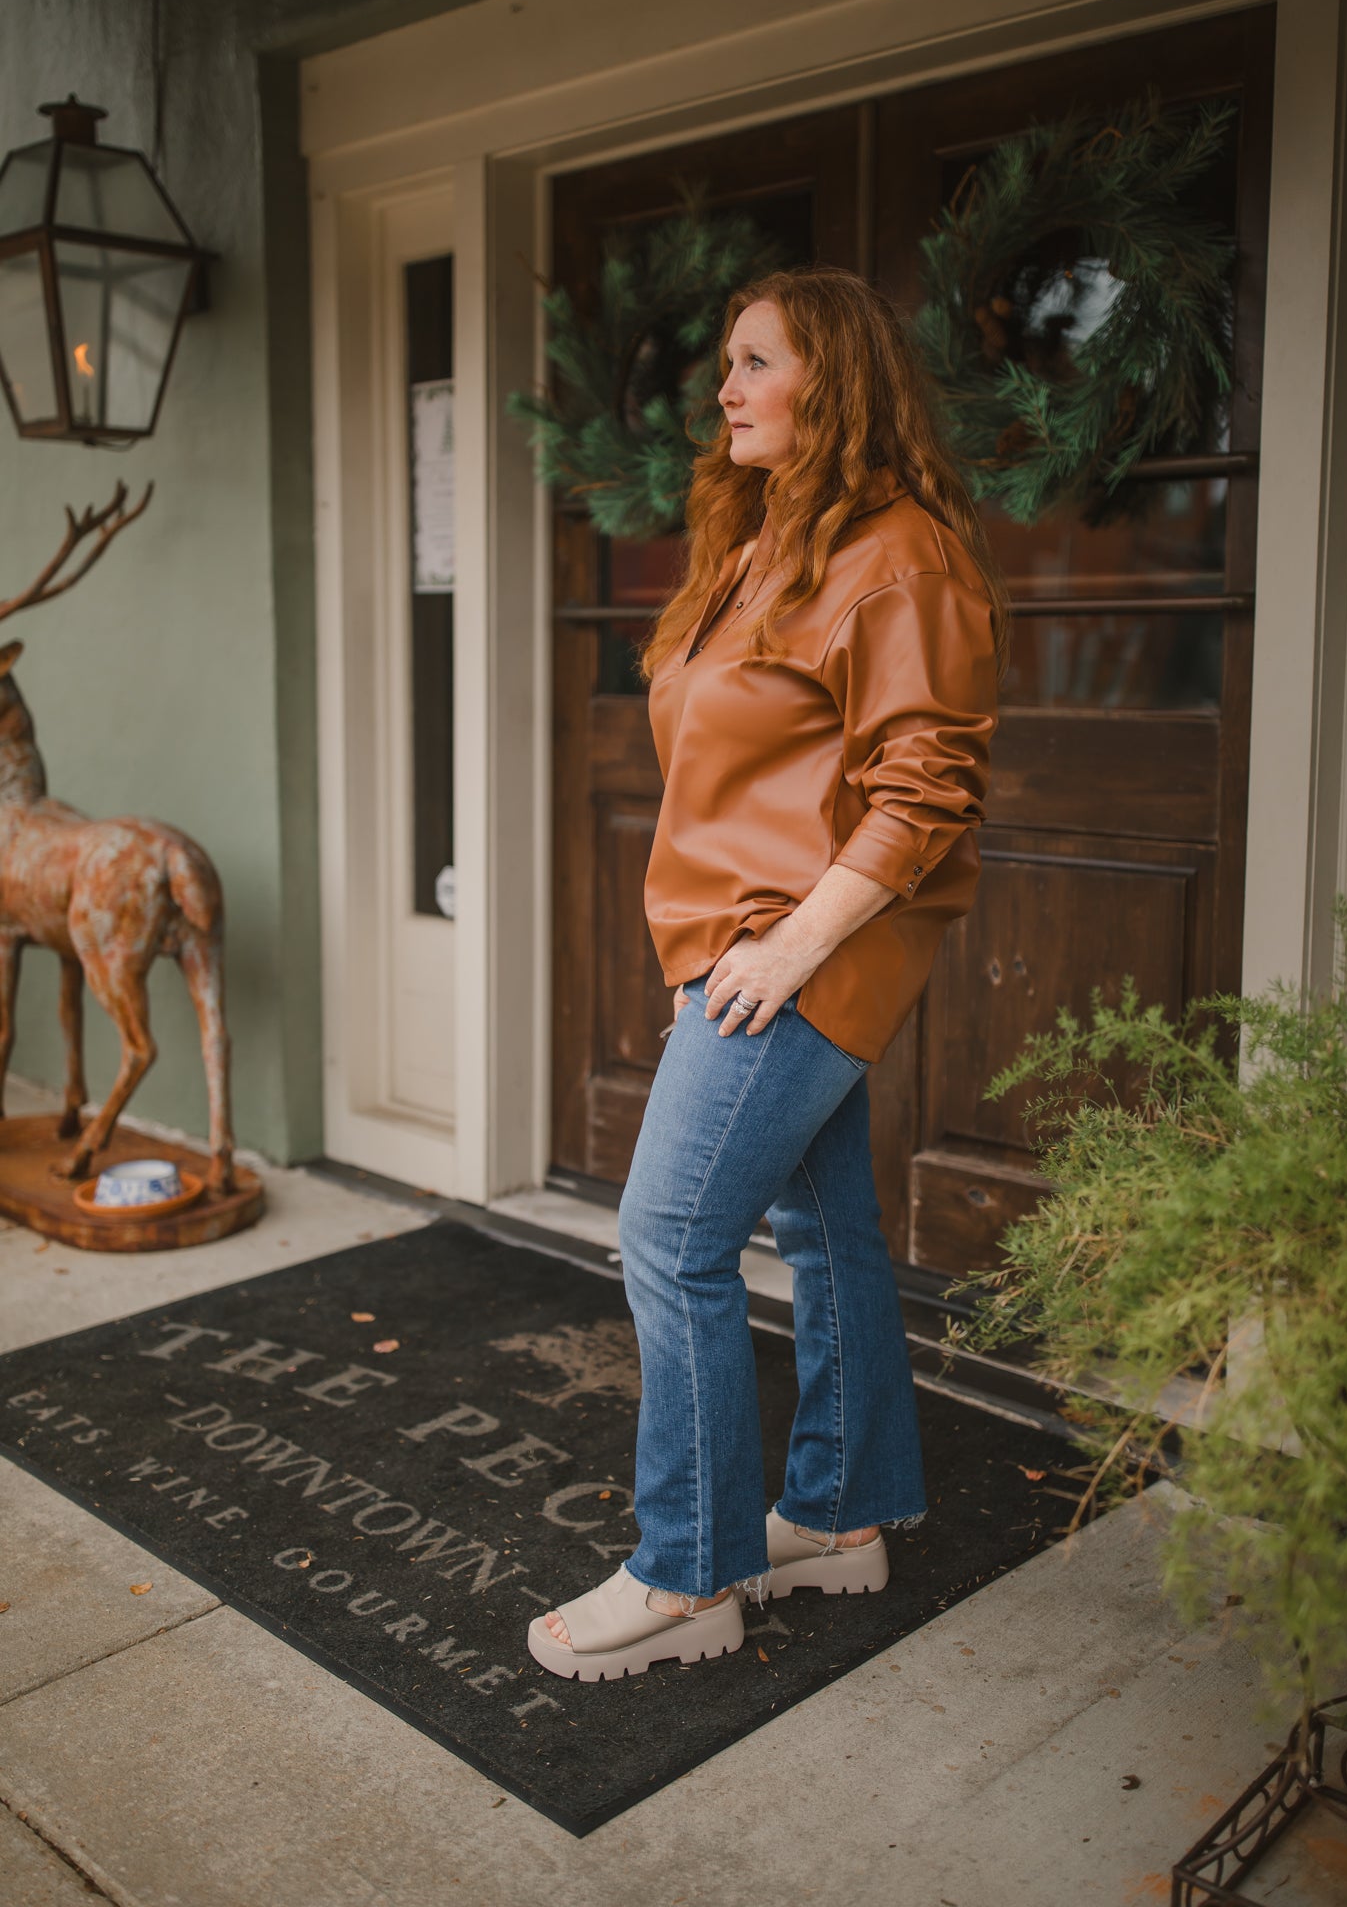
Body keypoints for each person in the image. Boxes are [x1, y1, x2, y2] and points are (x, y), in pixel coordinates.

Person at [528, 266, 1008, 1683]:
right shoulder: (763, 541)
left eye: (752, 363)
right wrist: (717, 948)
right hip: (741, 947)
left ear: (832, 381)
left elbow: (924, 791)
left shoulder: (900, 553)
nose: (724, 391)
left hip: (806, 953)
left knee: (665, 1239)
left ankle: (689, 1576)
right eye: (726, 367)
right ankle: (843, 1515)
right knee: (821, 1229)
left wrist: (784, 950)